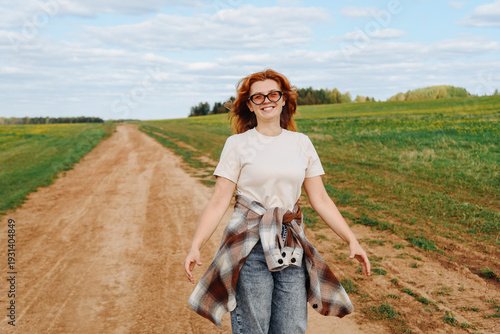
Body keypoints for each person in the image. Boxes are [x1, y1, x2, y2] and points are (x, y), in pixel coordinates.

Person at [184, 69, 370, 334]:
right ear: (249, 105)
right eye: (257, 97)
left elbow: (321, 199)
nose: (266, 101)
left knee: (291, 327)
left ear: (283, 99)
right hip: (249, 246)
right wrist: (196, 245)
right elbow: (218, 201)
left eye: (272, 94)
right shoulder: (237, 144)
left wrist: (352, 239)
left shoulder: (301, 143)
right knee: (253, 327)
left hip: (290, 242)